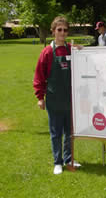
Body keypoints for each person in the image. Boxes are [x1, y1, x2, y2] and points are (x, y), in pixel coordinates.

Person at [33, 16, 82, 175]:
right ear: (53, 31)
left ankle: (68, 159)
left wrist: (82, 51)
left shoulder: (72, 50)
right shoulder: (47, 52)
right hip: (54, 99)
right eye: (59, 29)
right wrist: (40, 97)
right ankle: (57, 162)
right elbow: (39, 76)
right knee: (56, 133)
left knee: (70, 132)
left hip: (70, 99)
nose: (62, 32)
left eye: (65, 30)